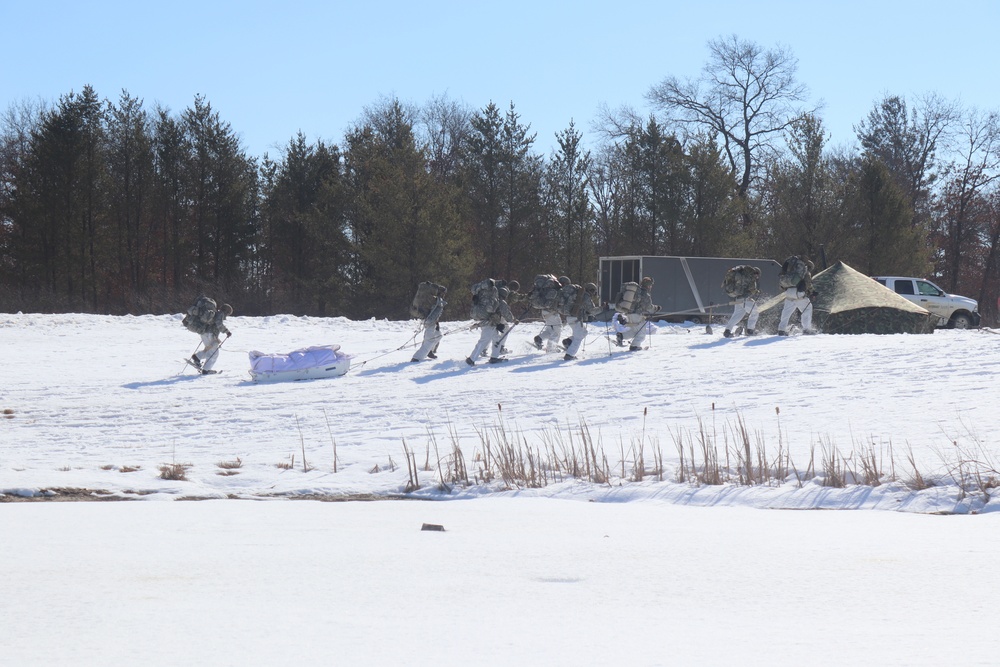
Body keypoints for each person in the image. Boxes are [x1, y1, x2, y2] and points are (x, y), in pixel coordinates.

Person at [467, 284, 516, 365]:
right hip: (489, 324)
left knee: (497, 339)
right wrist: (514, 320)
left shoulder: (491, 300)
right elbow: (508, 315)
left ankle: (494, 357)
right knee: (484, 341)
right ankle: (471, 359)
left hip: (491, 323)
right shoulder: (500, 302)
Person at [778, 256, 817, 336]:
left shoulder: (790, 271)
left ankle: (781, 329)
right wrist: (813, 292)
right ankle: (806, 329)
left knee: (786, 313)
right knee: (807, 308)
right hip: (799, 294)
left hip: (789, 293)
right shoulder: (805, 272)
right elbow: (808, 284)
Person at [562, 282, 602, 360]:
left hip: (570, 317)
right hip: (576, 319)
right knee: (579, 337)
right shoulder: (586, 296)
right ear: (591, 290)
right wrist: (602, 308)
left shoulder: (578, 294)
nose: (593, 294)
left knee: (584, 332)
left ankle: (568, 341)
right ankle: (569, 355)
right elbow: (592, 310)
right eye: (594, 292)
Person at [190, 302, 232, 373]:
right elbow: (219, 324)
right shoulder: (220, 314)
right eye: (228, 314)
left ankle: (197, 357)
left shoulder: (214, 313)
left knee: (209, 350)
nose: (227, 316)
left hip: (204, 333)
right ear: (226, 311)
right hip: (211, 335)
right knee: (214, 353)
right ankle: (206, 370)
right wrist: (227, 331)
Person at [722, 265, 762, 337]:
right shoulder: (751, 276)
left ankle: (727, 331)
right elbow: (751, 289)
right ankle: (750, 330)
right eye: (757, 276)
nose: (757, 277)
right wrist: (756, 291)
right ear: (756, 273)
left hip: (738, 299)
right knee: (755, 312)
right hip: (744, 299)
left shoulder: (743, 274)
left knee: (737, 316)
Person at [620, 277, 658, 351]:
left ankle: (621, 336)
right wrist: (656, 308)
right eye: (650, 285)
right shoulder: (645, 294)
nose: (651, 287)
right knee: (641, 334)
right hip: (637, 315)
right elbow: (649, 307)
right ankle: (634, 346)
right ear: (648, 285)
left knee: (635, 331)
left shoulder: (636, 292)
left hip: (629, 313)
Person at [411, 285, 447, 362]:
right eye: (443, 292)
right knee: (429, 340)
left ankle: (429, 351)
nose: (444, 294)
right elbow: (434, 314)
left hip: (430, 321)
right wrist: (433, 322)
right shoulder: (437, 301)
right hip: (430, 322)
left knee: (438, 335)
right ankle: (416, 358)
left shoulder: (433, 299)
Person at [533, 275, 568, 352]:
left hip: (545, 312)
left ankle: (539, 338)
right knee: (557, 330)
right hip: (552, 313)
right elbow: (560, 302)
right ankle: (551, 349)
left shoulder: (551, 288)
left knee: (550, 330)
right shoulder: (558, 290)